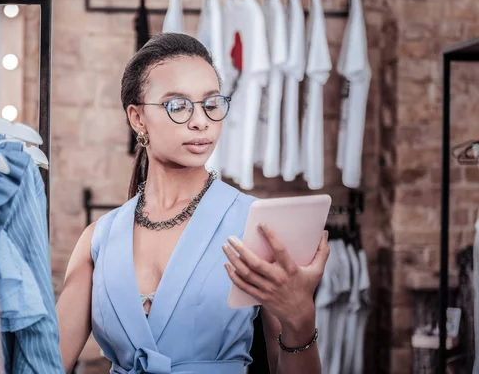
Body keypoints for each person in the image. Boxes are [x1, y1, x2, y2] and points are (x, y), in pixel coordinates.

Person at [56, 33, 329, 374]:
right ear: (137, 118)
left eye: (211, 104)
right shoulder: (98, 238)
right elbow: (47, 363)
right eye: (178, 105)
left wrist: (301, 320)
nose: (200, 121)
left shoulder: (259, 225)